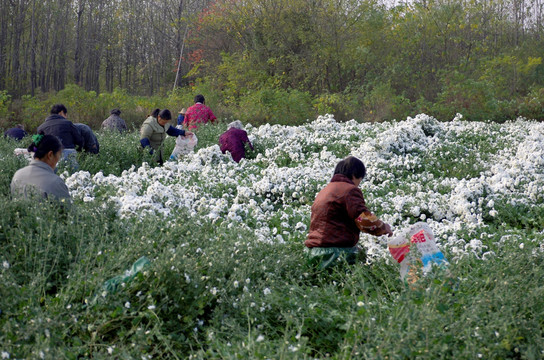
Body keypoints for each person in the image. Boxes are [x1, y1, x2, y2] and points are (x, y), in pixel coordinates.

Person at [305, 156, 393, 269]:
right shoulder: (349, 190)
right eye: (360, 179)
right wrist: (384, 228)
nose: (358, 184)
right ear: (354, 175)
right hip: (334, 254)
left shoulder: (325, 190)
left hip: (314, 252)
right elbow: (363, 219)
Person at [11, 133, 71, 204]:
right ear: (50, 155)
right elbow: (68, 213)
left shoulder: (18, 175)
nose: (59, 159)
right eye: (59, 155)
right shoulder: (55, 182)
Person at [37, 104, 83, 170]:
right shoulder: (68, 123)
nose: (66, 117)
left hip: (49, 158)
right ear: (61, 113)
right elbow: (79, 140)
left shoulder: (41, 127)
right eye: (66, 115)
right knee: (73, 178)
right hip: (68, 154)